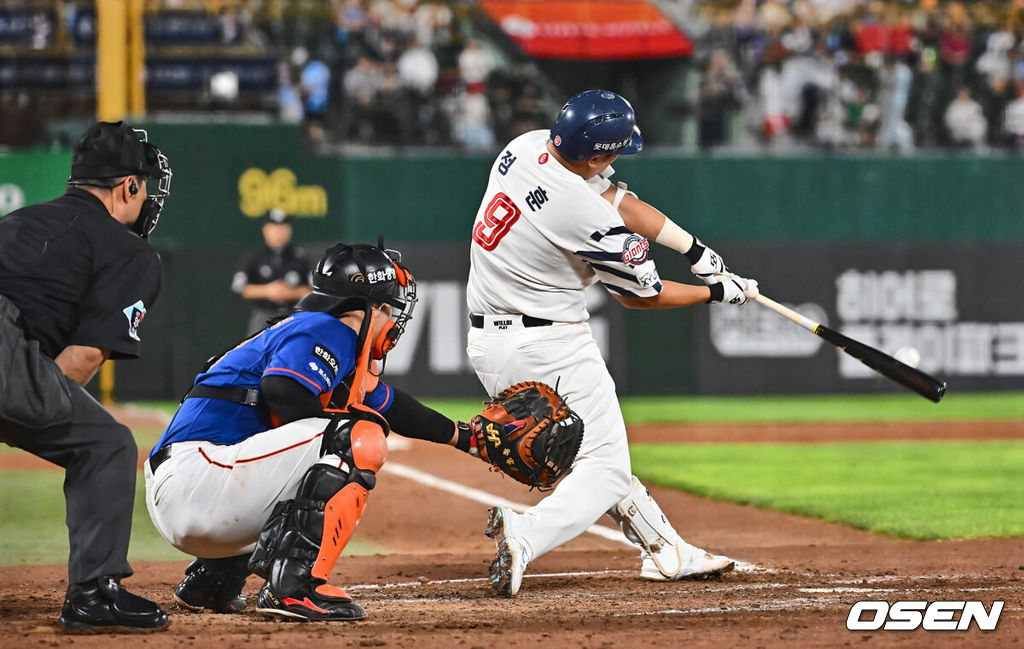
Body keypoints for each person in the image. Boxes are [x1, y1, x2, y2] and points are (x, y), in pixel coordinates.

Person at [466, 90, 759, 597]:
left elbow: (618, 201)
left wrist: (693, 248)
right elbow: (640, 298)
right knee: (604, 468)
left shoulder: (525, 146)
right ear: (598, 154)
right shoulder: (584, 213)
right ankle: (527, 534)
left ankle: (667, 550)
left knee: (601, 454)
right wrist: (717, 291)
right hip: (549, 342)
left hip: (490, 342)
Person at [147, 242, 479, 621]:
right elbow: (283, 391)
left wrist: (469, 439)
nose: (392, 320)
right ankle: (294, 587)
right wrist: (334, 429)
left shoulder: (314, 331)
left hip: (192, 488)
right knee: (357, 437)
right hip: (199, 479)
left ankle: (214, 580)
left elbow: (395, 406)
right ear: (368, 307)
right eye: (388, 308)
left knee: (322, 441)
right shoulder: (328, 327)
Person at [0, 121, 173, 631]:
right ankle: (93, 594)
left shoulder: (15, 220)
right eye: (146, 188)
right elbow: (82, 359)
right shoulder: (130, 251)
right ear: (129, 186)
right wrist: (26, 410)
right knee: (107, 445)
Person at [231, 208, 312, 335]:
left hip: (293, 315)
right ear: (265, 230)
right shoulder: (254, 256)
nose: (278, 232)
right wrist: (268, 290)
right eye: (274, 228)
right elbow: (240, 287)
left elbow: (313, 289)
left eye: (283, 228)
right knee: (257, 351)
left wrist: (290, 293)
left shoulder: (300, 257)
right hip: (263, 315)